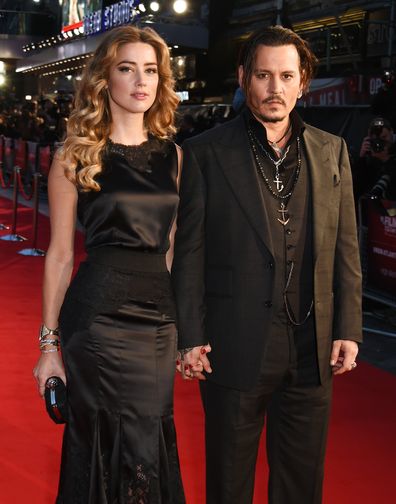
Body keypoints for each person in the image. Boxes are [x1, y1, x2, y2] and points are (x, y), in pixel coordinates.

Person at [172, 25, 362, 504]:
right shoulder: (205, 153)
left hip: (311, 346)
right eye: (263, 75)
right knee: (229, 483)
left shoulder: (331, 150)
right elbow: (189, 252)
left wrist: (349, 327)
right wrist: (189, 335)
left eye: (286, 76)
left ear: (303, 82)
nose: (275, 88)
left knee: (302, 484)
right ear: (243, 78)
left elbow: (346, 248)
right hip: (233, 345)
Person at [33, 25, 185, 503]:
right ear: (105, 78)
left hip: (159, 325)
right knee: (100, 440)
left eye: (151, 71)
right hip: (97, 322)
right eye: (127, 69)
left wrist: (186, 329)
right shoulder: (75, 156)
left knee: (148, 442)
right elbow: (59, 254)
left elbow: (173, 249)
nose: (141, 81)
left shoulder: (175, 157)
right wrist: (49, 347)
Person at [353, 116, 395, 203]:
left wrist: (387, 160)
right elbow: (356, 188)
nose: (380, 143)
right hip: (373, 208)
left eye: (384, 138)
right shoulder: (369, 156)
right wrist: (362, 158)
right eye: (376, 140)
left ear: (392, 131)